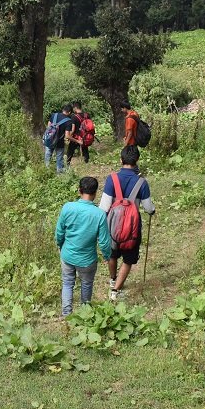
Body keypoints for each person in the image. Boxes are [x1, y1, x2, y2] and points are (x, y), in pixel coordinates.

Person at [100, 145, 156, 301]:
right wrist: (152, 211)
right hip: (132, 228)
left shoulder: (112, 179)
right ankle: (116, 291)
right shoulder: (142, 182)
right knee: (128, 259)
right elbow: (148, 207)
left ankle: (113, 280)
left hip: (112, 227)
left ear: (120, 159)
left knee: (112, 254)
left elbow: (104, 207)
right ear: (137, 160)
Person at [55, 176, 112, 318]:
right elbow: (104, 241)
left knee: (67, 283)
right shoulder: (99, 214)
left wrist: (60, 245)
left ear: (79, 190)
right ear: (95, 193)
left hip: (67, 256)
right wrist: (106, 256)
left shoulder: (67, 207)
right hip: (87, 260)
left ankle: (66, 314)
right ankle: (85, 314)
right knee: (86, 285)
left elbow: (59, 231)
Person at [43, 104, 76, 174]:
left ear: (63, 109)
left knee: (48, 156)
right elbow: (67, 136)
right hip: (59, 142)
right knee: (59, 159)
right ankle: (59, 174)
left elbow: (48, 127)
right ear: (69, 112)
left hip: (50, 140)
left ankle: (46, 172)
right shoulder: (68, 121)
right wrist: (77, 141)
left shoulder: (53, 115)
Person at [66, 101, 93, 166]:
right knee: (85, 150)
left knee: (70, 151)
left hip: (77, 137)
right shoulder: (87, 115)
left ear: (75, 108)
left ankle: (67, 164)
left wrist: (70, 136)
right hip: (86, 136)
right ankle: (86, 163)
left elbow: (73, 129)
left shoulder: (74, 117)